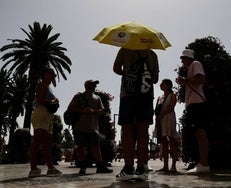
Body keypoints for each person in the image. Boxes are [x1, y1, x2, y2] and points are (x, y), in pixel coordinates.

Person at [113, 48, 159, 181]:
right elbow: (155, 79)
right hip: (146, 95)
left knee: (127, 131)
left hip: (128, 94)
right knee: (143, 132)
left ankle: (128, 168)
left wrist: (128, 74)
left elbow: (116, 68)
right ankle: (141, 168)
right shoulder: (153, 54)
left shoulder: (125, 50)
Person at [67, 80, 113, 175]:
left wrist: (94, 112)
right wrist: (83, 111)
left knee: (96, 147)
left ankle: (100, 167)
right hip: (79, 127)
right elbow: (70, 108)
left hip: (93, 128)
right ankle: (83, 167)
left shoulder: (97, 98)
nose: (95, 86)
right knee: (81, 147)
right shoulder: (78, 96)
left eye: (95, 85)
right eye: (93, 84)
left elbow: (102, 110)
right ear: (87, 85)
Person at [176, 49, 210, 174]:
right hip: (193, 103)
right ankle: (202, 163)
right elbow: (194, 84)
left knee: (200, 133)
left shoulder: (195, 64)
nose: (181, 60)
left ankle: (204, 164)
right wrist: (185, 82)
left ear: (188, 57)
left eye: (183, 58)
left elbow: (201, 79)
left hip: (197, 103)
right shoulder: (191, 67)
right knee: (198, 133)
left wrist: (186, 81)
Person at [29, 67, 62, 178]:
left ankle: (50, 168)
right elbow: (39, 100)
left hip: (48, 116)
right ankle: (33, 169)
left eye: (54, 74)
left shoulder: (48, 87)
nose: (54, 75)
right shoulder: (41, 85)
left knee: (47, 144)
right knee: (37, 142)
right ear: (45, 74)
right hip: (41, 113)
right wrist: (54, 101)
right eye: (51, 73)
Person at [155, 79, 180, 173]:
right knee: (164, 142)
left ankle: (173, 166)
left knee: (172, 141)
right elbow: (156, 110)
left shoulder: (173, 95)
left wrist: (161, 115)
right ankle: (165, 166)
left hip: (169, 118)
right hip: (161, 120)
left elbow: (171, 107)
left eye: (163, 83)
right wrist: (157, 119)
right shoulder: (159, 97)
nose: (161, 85)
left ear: (168, 85)